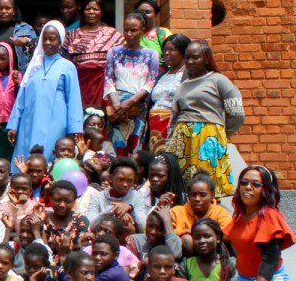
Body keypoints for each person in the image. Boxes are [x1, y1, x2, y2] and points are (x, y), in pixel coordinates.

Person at [166, 40, 246, 198]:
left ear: (206, 59)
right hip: (182, 142)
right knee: (182, 188)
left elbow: (237, 113)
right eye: (187, 57)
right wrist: (169, 145)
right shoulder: (183, 84)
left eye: (195, 58)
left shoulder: (218, 80)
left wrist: (221, 136)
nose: (190, 62)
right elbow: (174, 118)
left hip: (207, 140)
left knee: (207, 187)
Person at [7, 21, 84, 173]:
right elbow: (21, 97)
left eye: (52, 39)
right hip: (29, 121)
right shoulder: (33, 65)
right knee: (25, 158)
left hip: (56, 121)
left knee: (50, 158)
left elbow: (74, 100)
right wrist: (14, 124)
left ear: (60, 41)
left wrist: (74, 130)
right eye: (45, 38)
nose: (48, 42)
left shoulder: (67, 66)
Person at [103, 11, 160, 156]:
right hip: (117, 107)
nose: (129, 33)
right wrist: (117, 104)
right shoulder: (113, 53)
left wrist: (131, 101)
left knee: (135, 148)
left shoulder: (151, 54)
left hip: (138, 106)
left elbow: (151, 82)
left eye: (133, 30)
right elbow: (109, 80)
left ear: (143, 31)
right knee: (117, 148)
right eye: (126, 29)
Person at [62, 0, 123, 109]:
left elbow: (119, 63)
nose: (91, 12)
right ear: (83, 12)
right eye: (87, 9)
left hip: (103, 85)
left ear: (102, 12)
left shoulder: (112, 34)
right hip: (79, 83)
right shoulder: (72, 34)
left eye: (95, 9)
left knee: (100, 120)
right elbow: (67, 62)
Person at [147, 34, 190, 152]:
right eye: (165, 49)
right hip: (155, 127)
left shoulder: (189, 75)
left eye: (171, 49)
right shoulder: (161, 75)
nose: (166, 53)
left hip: (174, 125)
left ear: (183, 51)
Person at [172, 174, 234, 254]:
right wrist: (183, 231)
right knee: (187, 240)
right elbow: (168, 234)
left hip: (214, 257)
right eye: (193, 195)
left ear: (212, 196)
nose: (197, 199)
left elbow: (229, 233)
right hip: (184, 259)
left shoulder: (220, 212)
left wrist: (195, 234)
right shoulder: (177, 212)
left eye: (202, 195)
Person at [86, 157, 150, 231]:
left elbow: (143, 227)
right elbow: (90, 224)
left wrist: (130, 208)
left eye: (130, 180)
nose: (125, 184)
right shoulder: (97, 197)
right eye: (121, 179)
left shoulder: (137, 197)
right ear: (110, 178)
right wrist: (112, 210)